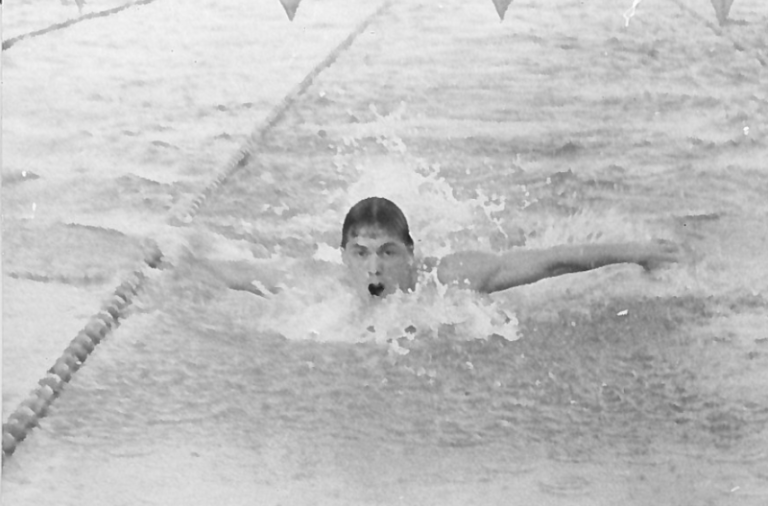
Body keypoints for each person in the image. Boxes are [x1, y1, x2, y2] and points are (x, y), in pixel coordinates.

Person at [193, 196, 680, 300]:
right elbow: (229, 271)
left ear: (411, 254)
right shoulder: (315, 283)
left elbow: (550, 261)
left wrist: (637, 251)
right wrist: (172, 260)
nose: (374, 267)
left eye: (387, 252)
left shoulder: (450, 280)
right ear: (342, 256)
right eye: (361, 253)